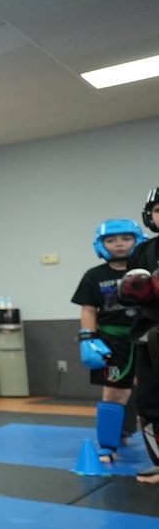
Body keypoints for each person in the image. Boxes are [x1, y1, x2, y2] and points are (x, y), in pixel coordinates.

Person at [72, 219, 145, 461]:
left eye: (126, 239)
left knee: (151, 391)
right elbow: (88, 309)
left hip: (148, 336)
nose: (119, 244)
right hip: (113, 340)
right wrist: (87, 339)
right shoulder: (94, 276)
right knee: (113, 393)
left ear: (137, 240)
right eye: (111, 240)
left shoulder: (147, 271)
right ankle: (108, 446)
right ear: (101, 244)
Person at [118, 189, 159, 484]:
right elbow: (129, 294)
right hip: (150, 334)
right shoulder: (144, 251)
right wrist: (135, 291)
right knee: (148, 399)